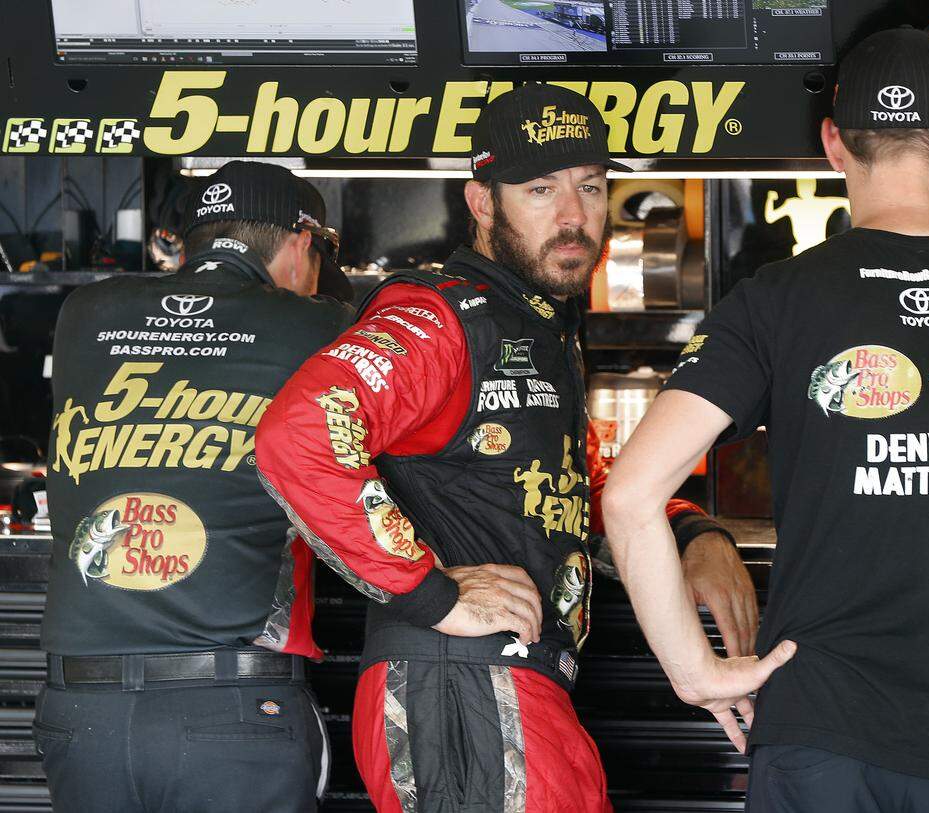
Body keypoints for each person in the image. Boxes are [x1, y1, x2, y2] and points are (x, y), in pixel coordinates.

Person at [602, 28, 929, 813]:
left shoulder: (774, 299)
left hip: (811, 730)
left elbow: (628, 496)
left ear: (834, 143)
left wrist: (694, 669)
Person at [255, 82, 758, 812]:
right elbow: (298, 434)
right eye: (540, 188)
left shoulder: (534, 322)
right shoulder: (439, 313)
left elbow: (569, 481)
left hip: (511, 691)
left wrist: (689, 529)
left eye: (590, 186)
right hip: (462, 690)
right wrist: (431, 590)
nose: (573, 215)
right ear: (483, 203)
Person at [38, 160, 354, 812]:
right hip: (233, 708)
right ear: (299, 242)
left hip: (81, 713)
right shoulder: (322, 325)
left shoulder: (84, 312)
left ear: (189, 240)